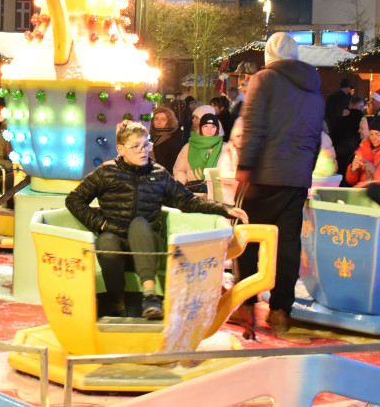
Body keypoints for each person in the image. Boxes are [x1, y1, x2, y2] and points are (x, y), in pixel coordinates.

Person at [66, 121, 247, 319]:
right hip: (116, 243)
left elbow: (187, 200)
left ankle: (150, 296)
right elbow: (74, 200)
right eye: (136, 146)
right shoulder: (106, 172)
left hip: (149, 245)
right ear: (121, 149)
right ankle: (116, 302)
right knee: (107, 240)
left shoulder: (158, 173)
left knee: (139, 224)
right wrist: (101, 224)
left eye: (146, 145)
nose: (143, 151)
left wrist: (224, 208)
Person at [232, 32, 323, 337]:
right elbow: (314, 136)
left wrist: (245, 167)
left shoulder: (264, 79)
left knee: (246, 237)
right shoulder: (313, 88)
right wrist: (305, 171)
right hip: (296, 177)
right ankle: (281, 310)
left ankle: (245, 303)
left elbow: (253, 125)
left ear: (269, 53)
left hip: (262, 175)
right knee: (287, 245)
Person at [345, 115, 380, 187]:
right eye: (371, 134)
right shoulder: (363, 148)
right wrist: (353, 170)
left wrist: (375, 172)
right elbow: (351, 181)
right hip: (361, 192)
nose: (373, 138)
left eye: (378, 134)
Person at [173, 113, 223, 187]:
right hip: (194, 191)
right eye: (205, 126)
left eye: (213, 127)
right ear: (200, 128)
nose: (209, 130)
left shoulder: (224, 147)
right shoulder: (188, 147)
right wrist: (186, 186)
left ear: (217, 129)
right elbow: (179, 170)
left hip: (216, 191)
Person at [331, 95, 367, 176]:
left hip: (340, 157)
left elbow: (333, 139)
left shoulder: (340, 121)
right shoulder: (364, 123)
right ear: (362, 107)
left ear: (349, 106)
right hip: (357, 158)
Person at [148, 107, 182, 172]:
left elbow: (174, 164)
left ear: (169, 122)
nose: (159, 122)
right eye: (156, 119)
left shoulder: (174, 139)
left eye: (163, 119)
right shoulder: (149, 136)